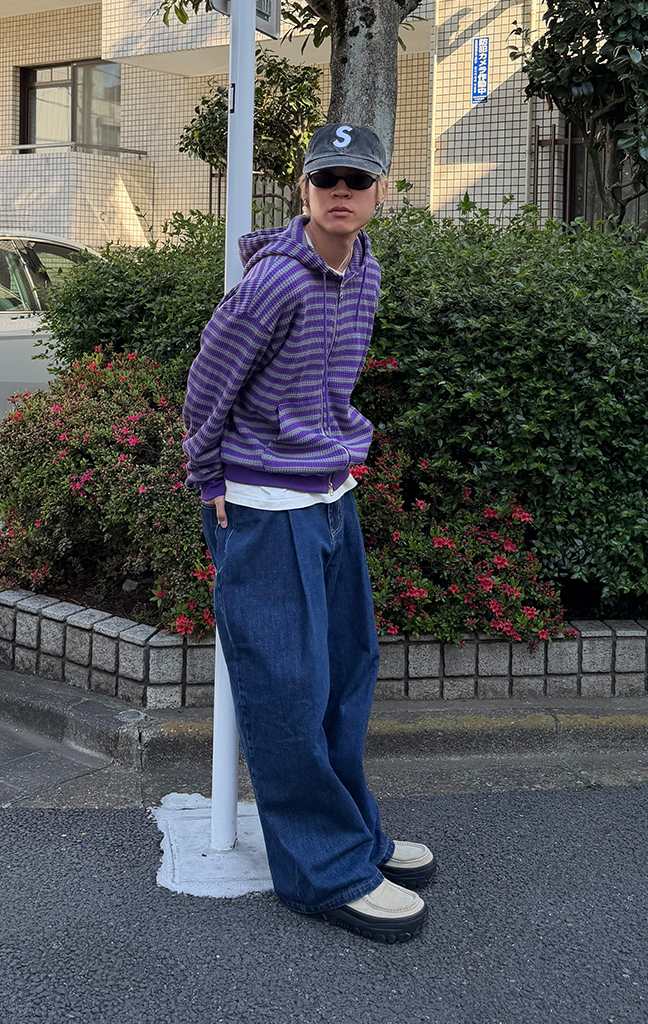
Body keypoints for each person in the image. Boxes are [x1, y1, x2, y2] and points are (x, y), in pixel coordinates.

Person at [182, 123, 436, 943]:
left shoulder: (365, 272)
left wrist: (338, 460)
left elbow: (329, 387)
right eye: (326, 178)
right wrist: (208, 481)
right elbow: (206, 386)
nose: (341, 192)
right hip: (263, 506)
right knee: (288, 692)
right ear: (304, 188)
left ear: (381, 192)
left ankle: (354, 836)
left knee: (344, 676)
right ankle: (324, 873)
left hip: (331, 494)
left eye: (357, 180)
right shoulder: (274, 283)